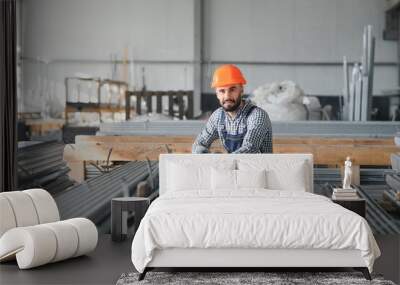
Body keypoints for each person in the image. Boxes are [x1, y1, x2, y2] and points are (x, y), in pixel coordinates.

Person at [192, 64, 273, 154]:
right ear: (217, 94)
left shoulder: (257, 115)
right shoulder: (218, 116)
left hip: (260, 167)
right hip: (233, 166)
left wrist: (221, 161)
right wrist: (206, 156)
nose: (227, 96)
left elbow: (249, 149)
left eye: (232, 89)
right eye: (222, 91)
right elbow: (199, 144)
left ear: (241, 90)